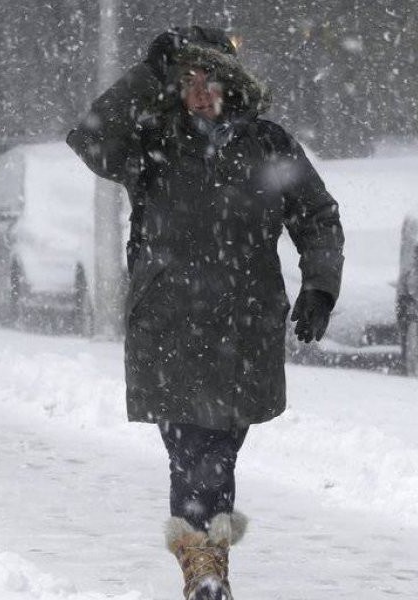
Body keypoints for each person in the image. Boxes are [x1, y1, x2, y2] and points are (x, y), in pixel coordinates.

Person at [68, 27, 344, 600]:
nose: (198, 90)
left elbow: (316, 215)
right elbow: (91, 140)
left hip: (245, 325)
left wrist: (319, 287)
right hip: (167, 321)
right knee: (191, 448)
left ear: (231, 83)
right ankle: (206, 569)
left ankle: (204, 559)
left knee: (220, 446)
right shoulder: (152, 142)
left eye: (209, 77)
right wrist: (145, 73)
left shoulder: (268, 144)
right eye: (186, 79)